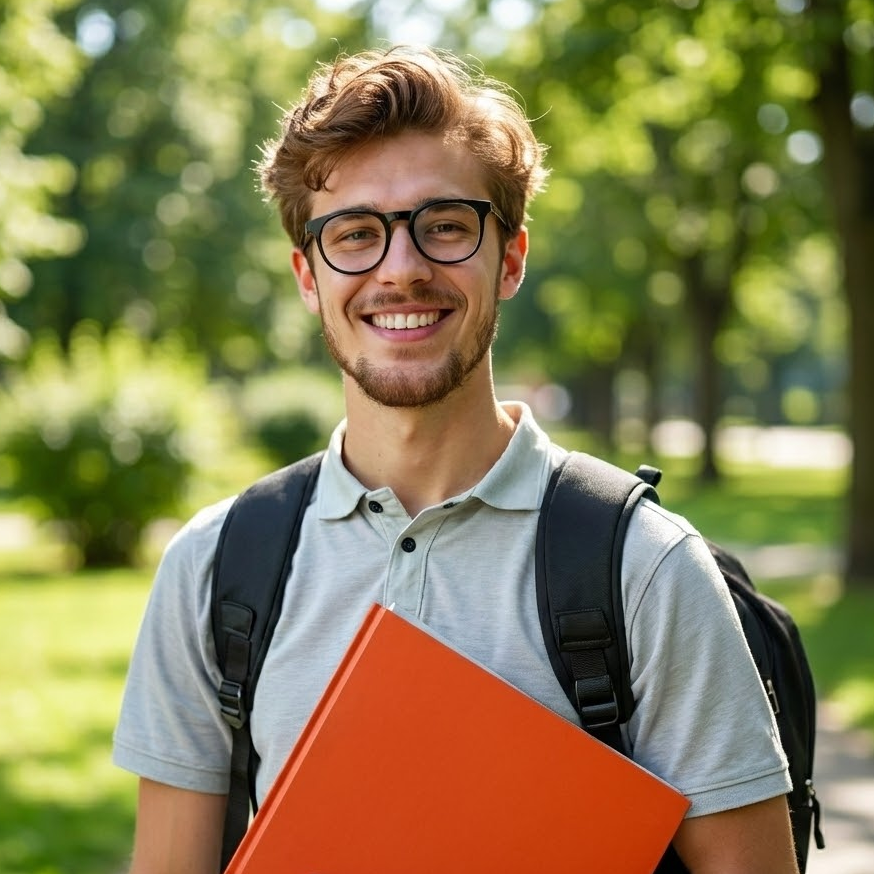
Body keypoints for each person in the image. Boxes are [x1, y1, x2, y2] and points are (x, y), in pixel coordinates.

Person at [113, 44, 799, 873]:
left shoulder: (644, 568)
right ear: (307, 276)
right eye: (355, 234)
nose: (402, 270)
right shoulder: (214, 568)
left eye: (444, 226)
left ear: (509, 258)